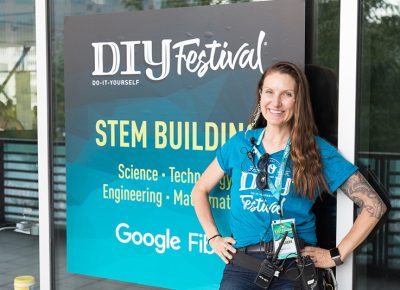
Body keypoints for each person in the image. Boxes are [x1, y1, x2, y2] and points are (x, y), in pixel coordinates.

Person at [191, 61, 387, 289]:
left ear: (298, 100)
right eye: (270, 92)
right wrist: (213, 237)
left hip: (294, 267)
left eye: (287, 94)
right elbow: (199, 190)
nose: (276, 102)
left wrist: (337, 254)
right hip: (242, 266)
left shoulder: (316, 150)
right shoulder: (240, 143)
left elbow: (374, 205)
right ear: (260, 95)